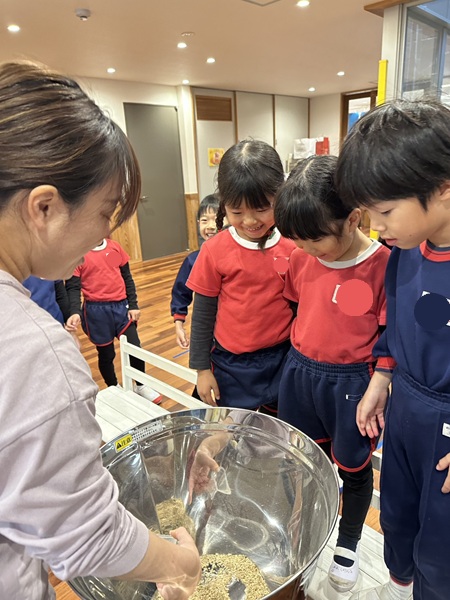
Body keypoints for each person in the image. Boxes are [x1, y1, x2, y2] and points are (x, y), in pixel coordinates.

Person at [0, 60, 200, 600]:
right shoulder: (31, 349)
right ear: (44, 207)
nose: (107, 231)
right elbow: (87, 537)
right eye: (107, 211)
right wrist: (181, 564)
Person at [334, 99, 450, 600]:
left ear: (443, 187)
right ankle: (400, 586)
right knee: (398, 516)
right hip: (405, 409)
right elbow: (398, 325)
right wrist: (382, 379)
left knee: (441, 546)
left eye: (384, 212)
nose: (376, 227)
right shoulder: (405, 250)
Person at [274, 154, 391, 593]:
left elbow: (391, 335)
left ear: (353, 219)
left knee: (354, 468)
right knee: (301, 460)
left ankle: (348, 542)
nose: (307, 250)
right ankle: (304, 527)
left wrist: (379, 382)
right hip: (300, 375)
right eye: (298, 241)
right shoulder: (301, 257)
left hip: (352, 384)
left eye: (316, 239)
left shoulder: (383, 264)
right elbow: (298, 304)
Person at [186, 139, 296, 414]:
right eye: (237, 212)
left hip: (282, 358)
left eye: (262, 209)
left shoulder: (294, 245)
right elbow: (203, 314)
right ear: (224, 205)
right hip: (230, 365)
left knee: (277, 429)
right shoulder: (214, 251)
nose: (250, 221)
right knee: (229, 430)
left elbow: (299, 307)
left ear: (280, 195)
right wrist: (201, 369)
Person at [65, 238, 161, 402]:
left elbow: (127, 277)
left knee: (134, 347)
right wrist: (74, 311)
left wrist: (133, 305)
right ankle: (113, 386)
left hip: (121, 308)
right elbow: (73, 287)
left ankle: (140, 385)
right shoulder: (78, 254)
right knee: (106, 353)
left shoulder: (115, 247)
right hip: (96, 312)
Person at [171, 194, 219, 349]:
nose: (210, 226)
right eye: (204, 220)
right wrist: (179, 325)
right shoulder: (192, 260)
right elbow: (180, 293)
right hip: (206, 330)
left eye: (216, 219)